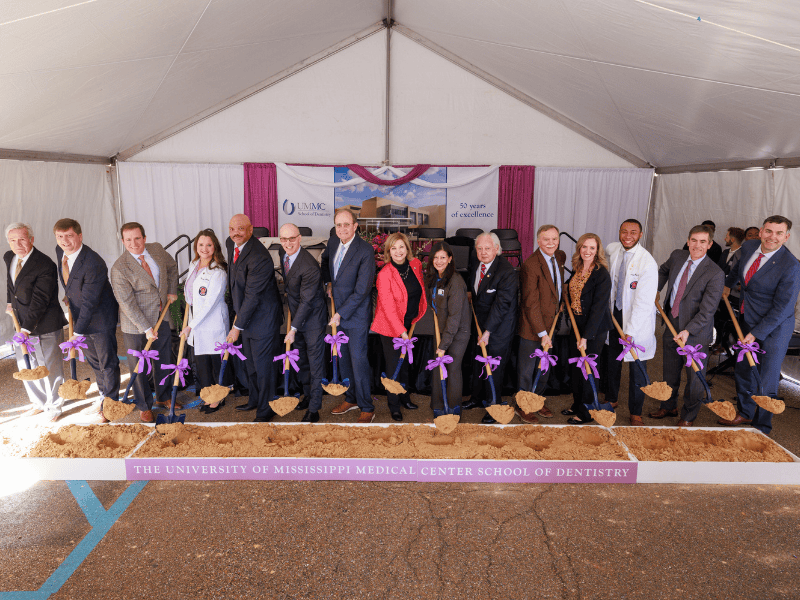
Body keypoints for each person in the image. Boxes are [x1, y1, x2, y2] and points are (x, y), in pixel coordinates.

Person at [719, 215, 800, 435]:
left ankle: (761, 426)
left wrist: (756, 333)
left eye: (779, 233)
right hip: (747, 318)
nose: (772, 237)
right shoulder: (749, 246)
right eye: (768, 231)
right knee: (743, 367)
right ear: (761, 231)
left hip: (775, 328)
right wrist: (728, 284)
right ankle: (745, 412)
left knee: (767, 376)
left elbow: (783, 308)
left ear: (786, 237)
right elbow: (738, 269)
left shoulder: (791, 266)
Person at [652, 225, 724, 425]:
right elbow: (663, 270)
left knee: (694, 377)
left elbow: (707, 311)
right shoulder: (677, 256)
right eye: (694, 240)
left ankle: (688, 416)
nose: (697, 245)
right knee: (670, 369)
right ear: (688, 240)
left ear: (709, 244)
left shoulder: (715, 273)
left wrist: (688, 330)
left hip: (696, 331)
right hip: (672, 322)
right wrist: (656, 288)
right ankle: (668, 406)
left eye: (703, 242)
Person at [110, 222, 178, 423]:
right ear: (123, 241)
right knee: (139, 366)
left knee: (163, 359)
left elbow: (172, 268)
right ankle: (144, 405)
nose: (134, 243)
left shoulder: (156, 249)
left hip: (161, 315)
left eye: (137, 238)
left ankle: (164, 396)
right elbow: (127, 303)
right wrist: (146, 328)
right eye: (128, 240)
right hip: (136, 325)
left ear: (145, 238)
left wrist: (171, 290)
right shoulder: (119, 268)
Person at [53, 218, 120, 422]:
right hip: (82, 315)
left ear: (80, 236)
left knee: (107, 363)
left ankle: (110, 406)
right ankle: (103, 397)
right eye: (60, 237)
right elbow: (68, 278)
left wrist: (76, 334)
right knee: (94, 362)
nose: (64, 241)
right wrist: (69, 295)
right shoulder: (60, 251)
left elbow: (90, 302)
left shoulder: (94, 262)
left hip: (100, 319)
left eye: (69, 236)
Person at [5, 222, 67, 421]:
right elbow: (11, 284)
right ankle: (39, 403)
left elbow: (40, 300)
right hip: (21, 323)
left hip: (44, 325)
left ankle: (55, 406)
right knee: (26, 365)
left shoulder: (45, 264)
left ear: (31, 239)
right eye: (12, 240)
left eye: (22, 239)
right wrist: (9, 303)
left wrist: (25, 329)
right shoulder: (9, 257)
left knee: (49, 367)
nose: (18, 244)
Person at [320, 208, 376, 422]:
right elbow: (325, 262)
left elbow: (362, 290)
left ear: (355, 226)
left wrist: (340, 314)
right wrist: (328, 282)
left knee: (358, 360)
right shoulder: (334, 242)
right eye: (338, 225)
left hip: (355, 315)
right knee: (343, 360)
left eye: (346, 224)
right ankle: (351, 398)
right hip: (338, 312)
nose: (342, 229)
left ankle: (366, 406)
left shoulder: (365, 250)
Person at [226, 214, 283, 422]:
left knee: (263, 367)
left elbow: (252, 296)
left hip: (263, 320)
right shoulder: (234, 246)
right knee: (250, 365)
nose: (235, 233)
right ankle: (255, 399)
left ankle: (266, 409)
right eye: (232, 229)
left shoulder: (258, 255)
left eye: (240, 229)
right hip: (246, 319)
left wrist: (237, 326)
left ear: (250, 230)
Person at [606, 219, 658, 426]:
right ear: (619, 232)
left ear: (641, 234)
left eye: (633, 232)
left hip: (637, 321)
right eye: (624, 231)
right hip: (614, 314)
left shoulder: (647, 262)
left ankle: (636, 411)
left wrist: (631, 330)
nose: (628, 236)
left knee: (637, 367)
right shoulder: (612, 250)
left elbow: (644, 302)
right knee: (612, 362)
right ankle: (611, 398)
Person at [463, 232, 518, 424]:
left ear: (497, 249)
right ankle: (477, 399)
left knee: (493, 367)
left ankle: (494, 405)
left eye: (488, 248)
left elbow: (501, 305)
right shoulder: (476, 263)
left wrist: (487, 332)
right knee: (478, 362)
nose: (483, 252)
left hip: (498, 328)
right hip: (479, 325)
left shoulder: (506, 271)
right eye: (480, 248)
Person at [371, 232, 427, 421]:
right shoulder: (385, 274)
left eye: (401, 247)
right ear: (388, 251)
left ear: (407, 249)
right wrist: (401, 331)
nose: (398, 251)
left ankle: (404, 396)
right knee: (394, 365)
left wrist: (413, 319)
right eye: (393, 248)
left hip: (409, 322)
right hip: (390, 326)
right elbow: (386, 306)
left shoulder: (416, 265)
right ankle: (394, 405)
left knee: (404, 365)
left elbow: (419, 290)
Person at [517, 224, 567, 423]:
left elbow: (556, 287)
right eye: (546, 239)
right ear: (538, 241)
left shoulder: (560, 256)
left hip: (552, 323)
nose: (551, 243)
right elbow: (530, 303)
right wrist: (542, 333)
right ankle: (523, 405)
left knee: (544, 366)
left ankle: (537, 400)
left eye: (554, 239)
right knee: (527, 370)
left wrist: (559, 303)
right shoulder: (530, 265)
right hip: (533, 328)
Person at [278, 223, 327, 423]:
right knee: (303, 362)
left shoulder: (309, 265)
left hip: (313, 320)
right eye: (283, 239)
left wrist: (293, 328)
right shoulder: (285, 257)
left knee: (315, 365)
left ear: (299, 239)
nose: (287, 243)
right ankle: (307, 396)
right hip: (298, 316)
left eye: (291, 239)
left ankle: (314, 409)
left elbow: (307, 301)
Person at [563, 234, 612, 424]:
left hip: (594, 328)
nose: (587, 251)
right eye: (584, 247)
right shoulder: (577, 268)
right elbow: (571, 291)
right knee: (577, 368)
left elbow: (599, 308)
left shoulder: (601, 274)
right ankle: (578, 404)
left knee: (588, 369)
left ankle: (587, 411)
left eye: (592, 248)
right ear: (579, 249)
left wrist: (586, 336)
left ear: (597, 251)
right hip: (577, 324)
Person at [181, 230, 229, 414]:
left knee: (214, 363)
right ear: (196, 247)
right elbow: (189, 289)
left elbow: (210, 303)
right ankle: (208, 396)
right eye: (201, 245)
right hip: (197, 320)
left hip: (213, 321)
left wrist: (190, 326)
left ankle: (218, 399)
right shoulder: (194, 264)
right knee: (202, 363)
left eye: (208, 245)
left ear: (215, 246)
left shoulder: (218, 270)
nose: (204, 249)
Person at [424, 242, 470, 416]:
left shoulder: (456, 282)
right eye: (435, 257)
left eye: (443, 257)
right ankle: (437, 405)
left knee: (452, 367)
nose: (439, 261)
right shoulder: (434, 277)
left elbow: (454, 318)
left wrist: (443, 345)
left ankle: (453, 408)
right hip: (440, 329)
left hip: (458, 332)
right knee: (438, 366)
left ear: (450, 259)